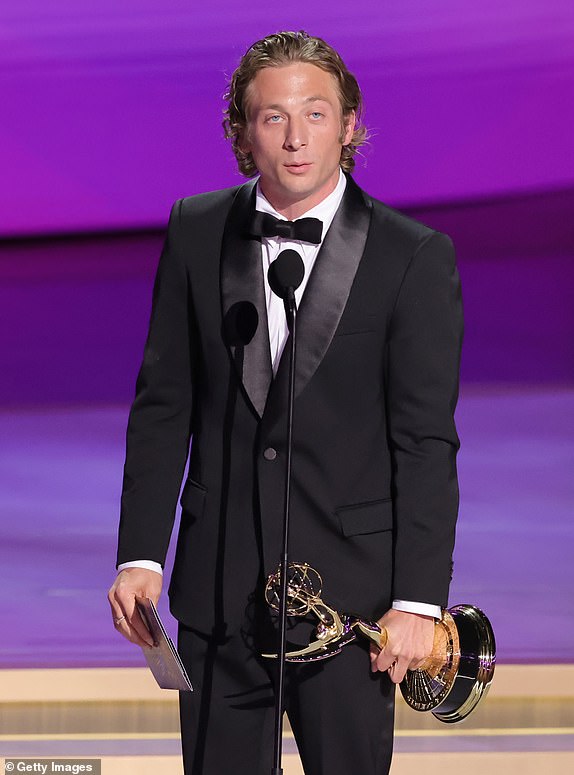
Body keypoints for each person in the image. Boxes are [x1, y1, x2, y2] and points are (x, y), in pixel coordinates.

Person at [108, 30, 463, 775]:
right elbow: (164, 403)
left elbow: (426, 440)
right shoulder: (197, 229)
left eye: (316, 113)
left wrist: (419, 600)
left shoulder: (413, 255)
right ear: (241, 130)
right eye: (273, 117)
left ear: (351, 123)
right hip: (218, 595)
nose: (296, 138)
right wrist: (141, 553)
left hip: (354, 610)